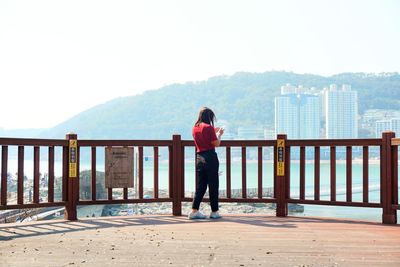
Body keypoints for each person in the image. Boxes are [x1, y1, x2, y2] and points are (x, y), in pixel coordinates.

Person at [188, 107, 224, 219]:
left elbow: (204, 134)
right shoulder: (208, 128)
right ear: (209, 117)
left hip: (199, 157)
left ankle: (194, 211)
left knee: (201, 185)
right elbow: (216, 143)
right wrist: (219, 134)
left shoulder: (195, 128)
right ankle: (214, 212)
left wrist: (214, 130)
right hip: (210, 158)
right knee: (213, 185)